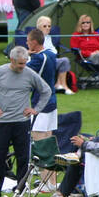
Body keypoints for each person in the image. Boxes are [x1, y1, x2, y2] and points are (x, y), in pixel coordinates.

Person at [0, 48, 51, 197]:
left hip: (22, 123)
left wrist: (36, 109)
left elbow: (46, 90)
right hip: (2, 123)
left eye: (25, 63)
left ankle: (20, 191)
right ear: (12, 60)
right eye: (20, 64)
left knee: (23, 158)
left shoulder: (29, 74)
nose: (23, 66)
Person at [25, 27, 59, 158]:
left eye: (28, 41)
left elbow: (22, 72)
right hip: (52, 101)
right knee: (48, 143)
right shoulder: (50, 54)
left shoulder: (39, 59)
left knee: (40, 144)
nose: (27, 43)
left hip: (41, 104)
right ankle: (50, 179)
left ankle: (44, 176)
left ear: (34, 42)